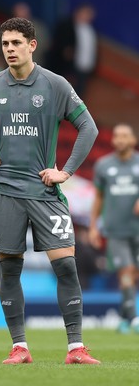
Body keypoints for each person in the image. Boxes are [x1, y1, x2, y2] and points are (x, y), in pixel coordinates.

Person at [0, 17, 100, 365]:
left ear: (32, 45)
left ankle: (75, 349)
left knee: (66, 267)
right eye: (5, 44)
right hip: (4, 193)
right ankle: (20, 347)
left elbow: (88, 128)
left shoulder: (55, 85)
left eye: (16, 43)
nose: (9, 50)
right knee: (9, 271)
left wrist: (65, 171)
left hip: (43, 191)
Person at [89, 124, 139, 333]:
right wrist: (93, 226)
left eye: (125, 135)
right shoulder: (103, 165)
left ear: (133, 139)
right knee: (125, 270)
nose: (120, 139)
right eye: (117, 135)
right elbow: (98, 197)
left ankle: (124, 317)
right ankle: (135, 318)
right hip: (116, 230)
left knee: (133, 273)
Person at [48, 3, 97, 98]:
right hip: (68, 67)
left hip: (85, 68)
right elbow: (60, 45)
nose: (89, 16)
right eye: (86, 13)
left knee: (79, 94)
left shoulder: (90, 30)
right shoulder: (66, 26)